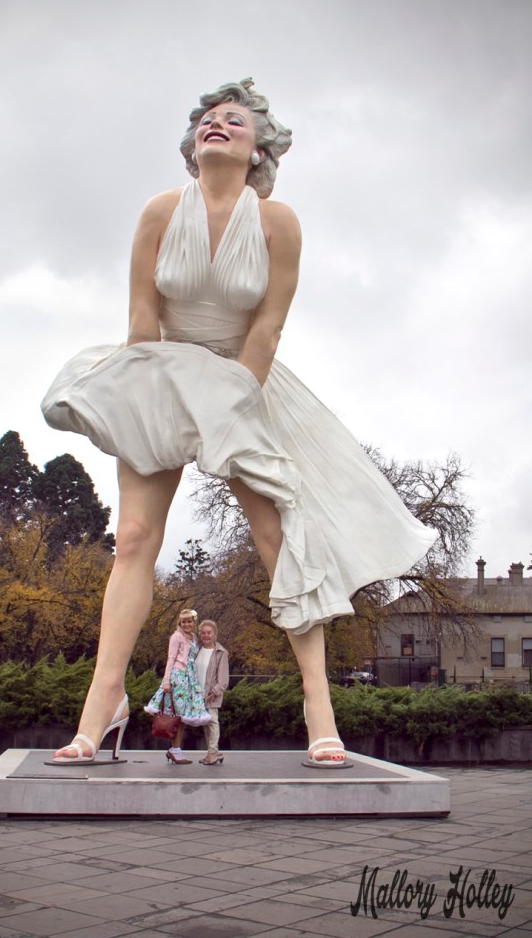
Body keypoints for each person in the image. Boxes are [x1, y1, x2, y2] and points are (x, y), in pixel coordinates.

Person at [42, 77, 437, 768]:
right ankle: (103, 702)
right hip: (163, 373)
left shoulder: (278, 222)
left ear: (259, 148)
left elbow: (268, 329)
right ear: (194, 145)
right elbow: (142, 320)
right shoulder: (160, 212)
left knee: (279, 536)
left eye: (234, 120)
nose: (216, 125)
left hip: (245, 382)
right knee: (133, 535)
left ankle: (319, 703)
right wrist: (143, 401)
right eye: (207, 120)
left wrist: (228, 408)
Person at [144, 608, 212, 764]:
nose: (187, 624)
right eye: (184, 622)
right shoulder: (176, 637)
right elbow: (171, 658)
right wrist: (167, 681)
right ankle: (175, 751)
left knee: (182, 717)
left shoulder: (194, 637)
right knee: (178, 715)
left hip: (190, 678)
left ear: (194, 622)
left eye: (189, 621)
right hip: (178, 677)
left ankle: (175, 750)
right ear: (180, 623)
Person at [195, 619, 229, 765]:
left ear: (215, 634)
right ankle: (212, 752)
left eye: (209, 632)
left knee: (212, 722)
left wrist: (214, 692)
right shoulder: (197, 649)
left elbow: (223, 679)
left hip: (211, 694)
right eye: (203, 633)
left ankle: (213, 753)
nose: (206, 635)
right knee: (205, 724)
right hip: (198, 693)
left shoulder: (221, 653)